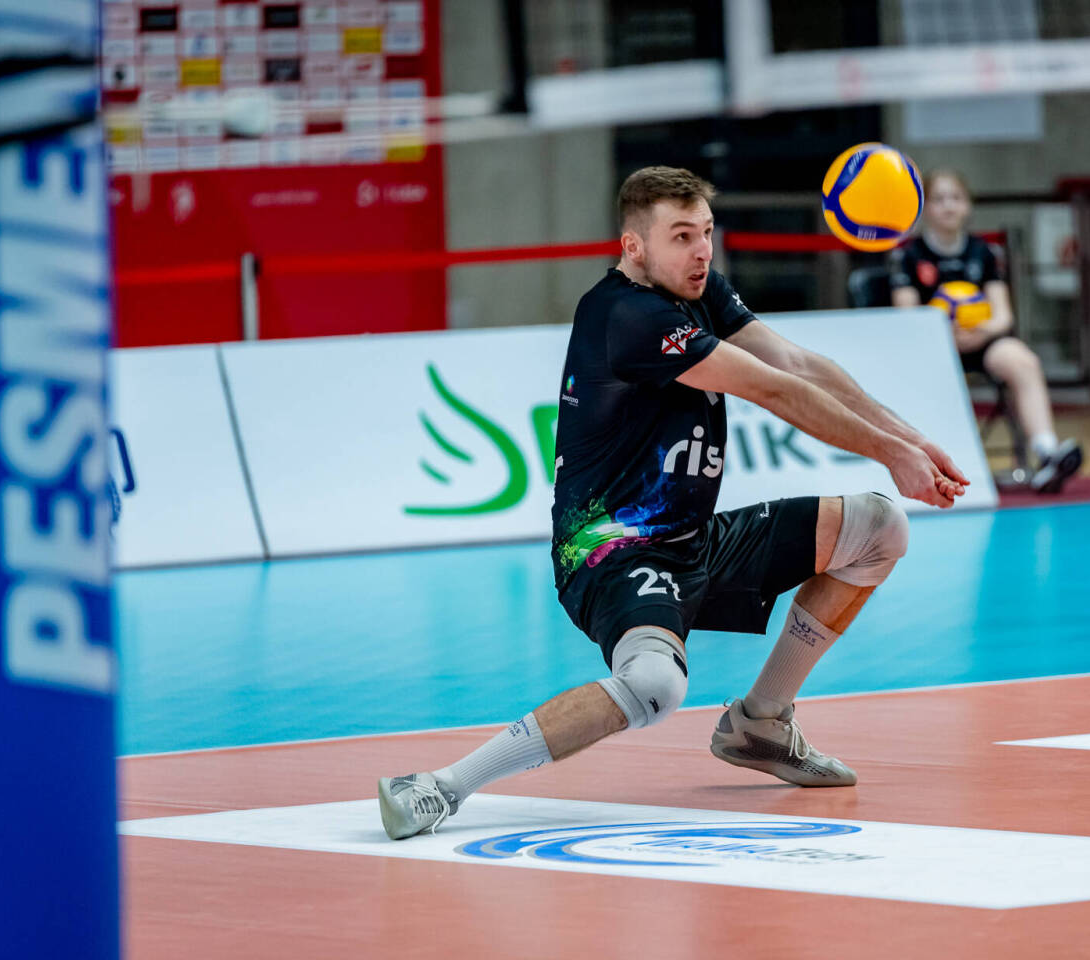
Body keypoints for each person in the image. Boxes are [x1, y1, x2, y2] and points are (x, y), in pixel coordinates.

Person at [377, 166, 970, 839]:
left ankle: (761, 723)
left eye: (707, 233)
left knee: (879, 528)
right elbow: (774, 390)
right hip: (612, 554)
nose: (702, 252)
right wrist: (890, 453)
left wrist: (912, 440)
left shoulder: (699, 289)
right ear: (634, 247)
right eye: (682, 236)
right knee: (656, 687)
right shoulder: (626, 315)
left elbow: (798, 365)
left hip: (692, 539)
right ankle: (441, 787)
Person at [888, 169, 1082, 492]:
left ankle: (1046, 454)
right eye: (938, 199)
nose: (948, 206)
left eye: (955, 198)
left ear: (967, 206)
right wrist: (944, 334)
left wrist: (980, 332)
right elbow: (907, 316)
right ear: (924, 208)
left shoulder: (984, 253)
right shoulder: (908, 255)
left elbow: (1003, 316)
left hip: (980, 342)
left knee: (1022, 360)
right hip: (932, 347)